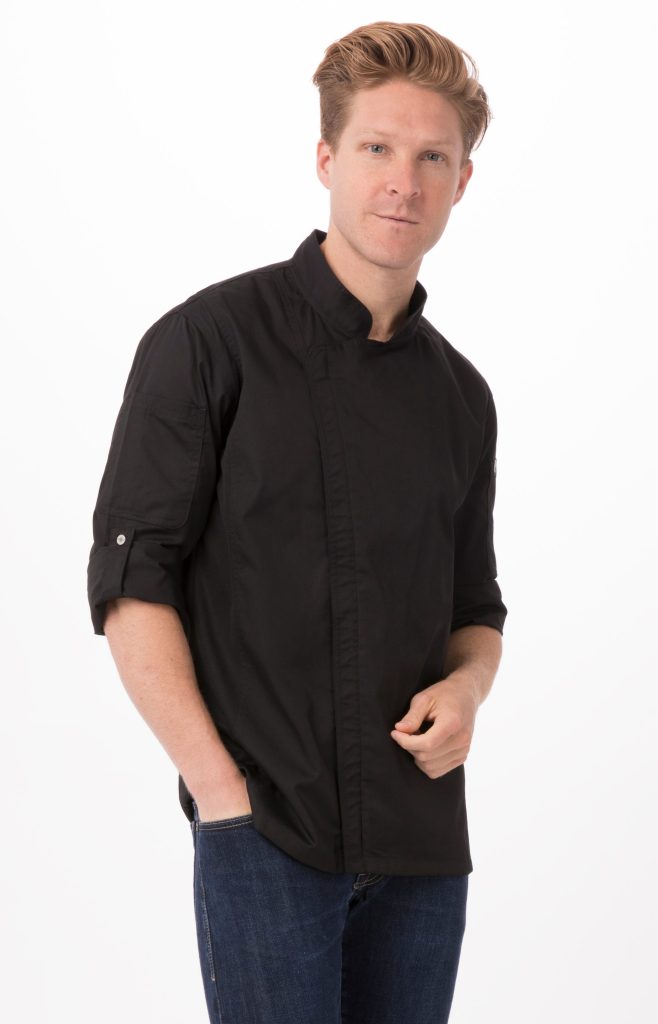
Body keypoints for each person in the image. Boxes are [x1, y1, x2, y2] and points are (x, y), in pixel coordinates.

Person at [86, 20, 508, 1024]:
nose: (402, 182)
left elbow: (475, 605)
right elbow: (132, 584)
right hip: (266, 836)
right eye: (377, 148)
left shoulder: (461, 395)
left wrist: (466, 687)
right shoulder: (207, 342)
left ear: (461, 182)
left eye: (431, 158)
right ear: (326, 158)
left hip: (421, 848)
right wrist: (220, 794)